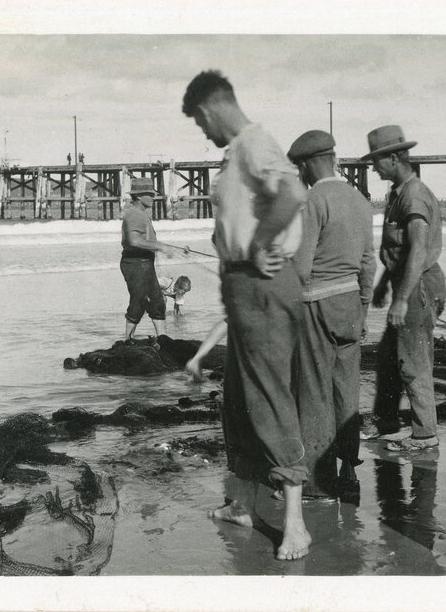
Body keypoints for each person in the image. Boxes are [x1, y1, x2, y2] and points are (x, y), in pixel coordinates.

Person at [182, 70, 311, 560]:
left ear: (212, 109)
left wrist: (258, 244)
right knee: (237, 402)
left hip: (261, 285)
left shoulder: (255, 142)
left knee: (269, 398)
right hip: (242, 287)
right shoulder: (237, 151)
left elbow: (292, 194)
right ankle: (242, 503)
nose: (204, 132)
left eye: (200, 123)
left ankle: (294, 525)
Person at [288, 129, 376, 503]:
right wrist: (364, 307)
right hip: (351, 304)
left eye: (299, 169)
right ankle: (350, 474)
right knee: (347, 391)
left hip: (316, 306)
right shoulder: (359, 200)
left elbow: (302, 268)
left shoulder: (312, 201)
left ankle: (319, 485)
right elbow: (368, 263)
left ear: (308, 164)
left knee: (313, 394)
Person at [363, 125, 446, 451]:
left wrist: (400, 299)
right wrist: (385, 283)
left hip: (419, 285)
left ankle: (425, 435)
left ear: (394, 158)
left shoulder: (413, 196)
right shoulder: (398, 193)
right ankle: (386, 422)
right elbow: (397, 253)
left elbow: (418, 252)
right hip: (406, 282)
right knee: (388, 359)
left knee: (412, 361)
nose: (372, 167)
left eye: (377, 161)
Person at [120, 177, 175, 339]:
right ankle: (127, 340)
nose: (153, 197)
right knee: (140, 301)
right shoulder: (134, 214)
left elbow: (143, 239)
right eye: (148, 194)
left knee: (157, 302)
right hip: (135, 263)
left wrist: (161, 246)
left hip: (144, 263)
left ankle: (163, 340)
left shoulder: (140, 213)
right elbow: (134, 241)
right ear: (137, 196)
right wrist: (160, 247)